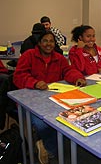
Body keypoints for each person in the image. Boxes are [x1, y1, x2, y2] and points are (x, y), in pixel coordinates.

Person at [13, 30, 86, 164]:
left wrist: (78, 78)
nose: (48, 44)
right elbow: (18, 76)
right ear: (39, 43)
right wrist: (34, 83)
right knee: (43, 124)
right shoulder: (29, 55)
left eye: (51, 41)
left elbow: (68, 70)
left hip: (53, 99)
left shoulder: (59, 58)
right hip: (30, 101)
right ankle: (51, 149)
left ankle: (50, 146)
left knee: (69, 117)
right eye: (45, 41)